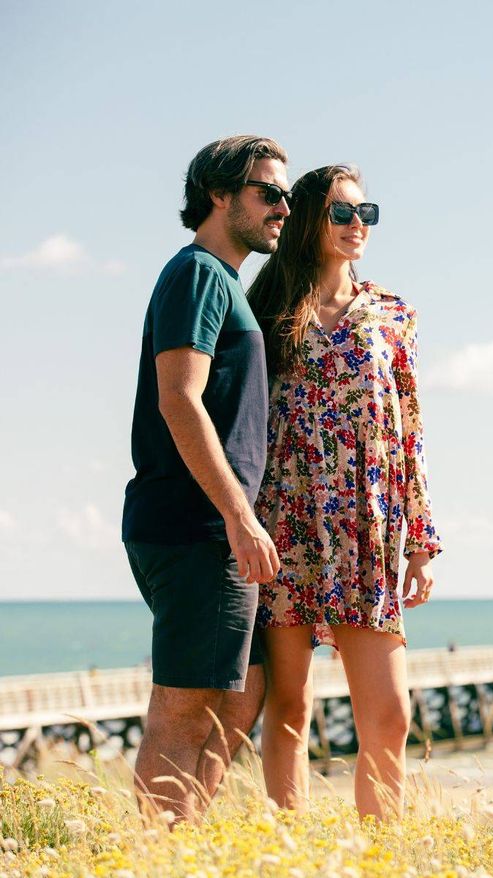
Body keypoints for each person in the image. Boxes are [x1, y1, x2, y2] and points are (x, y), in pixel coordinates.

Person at [248, 164, 442, 820]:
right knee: (290, 709)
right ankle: (286, 852)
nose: (359, 224)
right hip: (287, 522)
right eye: (342, 212)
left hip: (367, 529)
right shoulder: (270, 308)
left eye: (367, 213)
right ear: (309, 218)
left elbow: (410, 429)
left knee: (390, 717)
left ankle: (382, 859)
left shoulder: (393, 313)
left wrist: (420, 538)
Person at [122, 135, 291, 821]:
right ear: (220, 195)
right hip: (195, 526)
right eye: (268, 193)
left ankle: (185, 843)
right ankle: (153, 858)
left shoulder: (225, 281)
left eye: (286, 194)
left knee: (237, 697)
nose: (284, 207)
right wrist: (239, 516)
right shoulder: (197, 274)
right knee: (186, 709)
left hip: (211, 527)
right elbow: (178, 397)